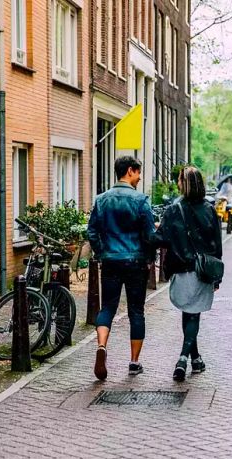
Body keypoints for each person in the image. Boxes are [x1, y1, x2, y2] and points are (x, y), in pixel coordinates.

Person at [149, 166, 223, 382]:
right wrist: (217, 275)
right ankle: (185, 358)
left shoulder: (174, 210)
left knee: (188, 312)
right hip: (203, 269)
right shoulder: (209, 209)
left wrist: (145, 234)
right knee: (193, 313)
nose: (178, 184)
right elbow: (216, 244)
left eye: (180, 180)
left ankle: (194, 358)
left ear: (184, 183)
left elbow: (161, 238)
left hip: (181, 269)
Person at [87, 156, 155, 380]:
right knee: (136, 311)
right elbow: (149, 236)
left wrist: (101, 251)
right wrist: (149, 257)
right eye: (138, 172)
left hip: (110, 261)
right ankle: (134, 362)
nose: (140, 177)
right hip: (135, 262)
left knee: (107, 307)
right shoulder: (141, 200)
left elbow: (92, 232)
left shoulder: (101, 200)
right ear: (129, 171)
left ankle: (102, 345)